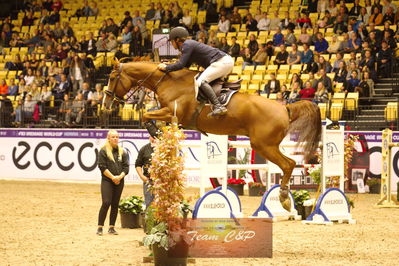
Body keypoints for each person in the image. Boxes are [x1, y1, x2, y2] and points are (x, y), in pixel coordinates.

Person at [157, 27, 234, 117]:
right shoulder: (188, 45)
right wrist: (170, 65)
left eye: (172, 41)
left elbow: (181, 65)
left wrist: (166, 67)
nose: (172, 44)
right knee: (204, 81)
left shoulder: (186, 45)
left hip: (221, 62)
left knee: (201, 81)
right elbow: (185, 66)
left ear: (177, 40)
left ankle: (219, 106)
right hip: (224, 62)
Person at [97, 130, 129, 236]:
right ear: (108, 138)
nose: (115, 139)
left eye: (117, 137)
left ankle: (111, 227)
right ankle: (100, 227)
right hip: (107, 180)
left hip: (119, 180)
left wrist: (120, 177)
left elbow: (126, 167)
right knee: (106, 202)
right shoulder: (103, 151)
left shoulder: (123, 151)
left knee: (115, 204)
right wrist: (112, 177)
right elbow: (102, 167)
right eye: (113, 137)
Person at [135, 135, 156, 207]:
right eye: (152, 136)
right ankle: (148, 218)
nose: (154, 137)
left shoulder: (165, 149)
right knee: (149, 203)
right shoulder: (144, 149)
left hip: (161, 181)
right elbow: (138, 164)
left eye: (156, 136)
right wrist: (141, 176)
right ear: (149, 137)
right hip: (148, 180)